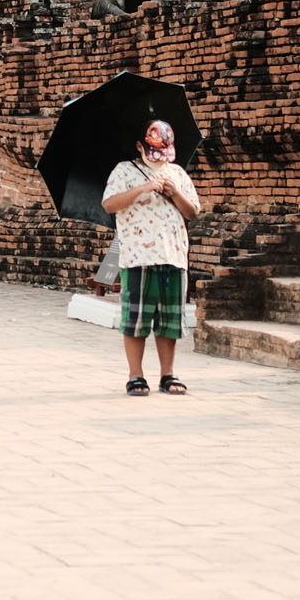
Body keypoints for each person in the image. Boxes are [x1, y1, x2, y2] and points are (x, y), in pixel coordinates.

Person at [100, 120, 201, 396]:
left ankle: (167, 374)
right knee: (136, 319)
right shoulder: (125, 171)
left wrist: (173, 192)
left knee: (169, 319)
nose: (158, 155)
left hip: (173, 254)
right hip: (137, 256)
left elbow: (191, 212)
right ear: (139, 146)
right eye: (152, 149)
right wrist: (142, 189)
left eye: (163, 149)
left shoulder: (177, 173)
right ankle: (136, 375)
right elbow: (109, 204)